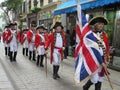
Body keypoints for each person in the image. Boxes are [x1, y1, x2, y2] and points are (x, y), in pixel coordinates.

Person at [83, 16, 110, 90]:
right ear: (95, 25)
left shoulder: (104, 35)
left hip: (102, 58)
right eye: (99, 24)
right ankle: (85, 87)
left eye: (102, 24)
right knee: (95, 78)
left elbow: (106, 47)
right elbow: (93, 50)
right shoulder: (90, 35)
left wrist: (107, 58)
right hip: (94, 59)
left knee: (100, 78)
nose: (101, 25)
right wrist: (101, 62)